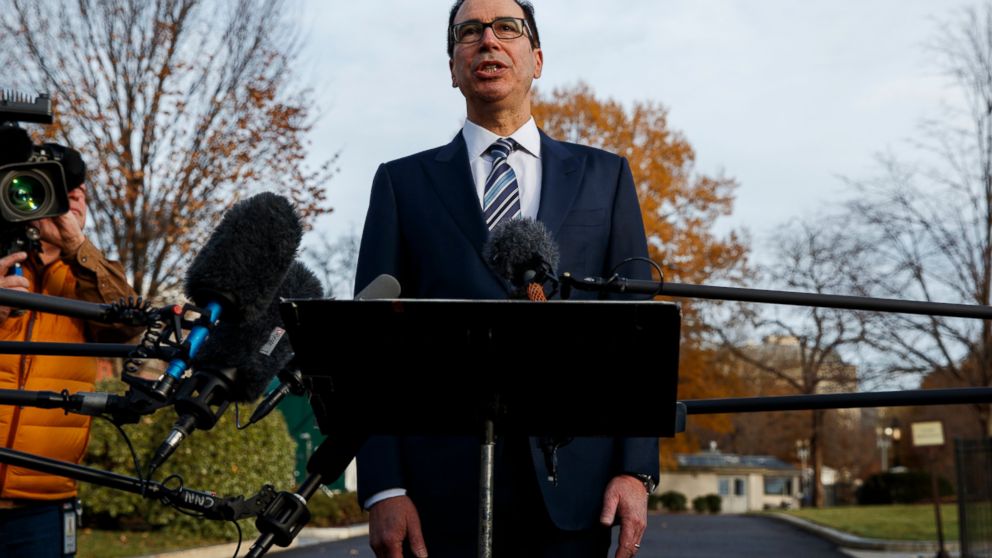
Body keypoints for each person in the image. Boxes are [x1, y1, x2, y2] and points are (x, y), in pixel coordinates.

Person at [353, 0, 659, 557]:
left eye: (506, 28)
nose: (487, 40)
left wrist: (636, 471)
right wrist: (384, 486)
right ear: (452, 67)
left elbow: (637, 332)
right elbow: (372, 346)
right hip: (439, 491)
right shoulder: (402, 184)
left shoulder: (607, 177)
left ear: (536, 58)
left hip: (577, 490)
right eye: (468, 32)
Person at [0, 139, 140, 557]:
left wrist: (78, 246)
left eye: (76, 194)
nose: (68, 201)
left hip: (44, 500)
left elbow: (129, 325)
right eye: (51, 189)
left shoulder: (90, 279)